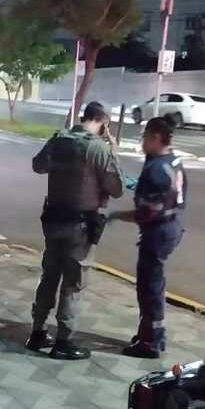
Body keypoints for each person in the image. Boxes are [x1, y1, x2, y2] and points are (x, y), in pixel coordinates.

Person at [27, 101, 124, 360]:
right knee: (73, 282)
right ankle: (64, 340)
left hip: (53, 220)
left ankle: (37, 332)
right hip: (80, 226)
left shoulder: (59, 140)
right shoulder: (97, 148)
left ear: (84, 117)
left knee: (49, 276)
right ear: (104, 123)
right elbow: (117, 188)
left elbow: (38, 166)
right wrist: (113, 152)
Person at [111, 117, 187, 359]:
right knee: (154, 284)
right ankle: (149, 332)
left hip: (158, 231)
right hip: (173, 225)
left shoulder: (155, 169)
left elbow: (147, 212)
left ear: (155, 137)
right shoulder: (172, 160)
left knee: (149, 288)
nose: (142, 142)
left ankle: (151, 342)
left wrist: (116, 215)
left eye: (144, 137)